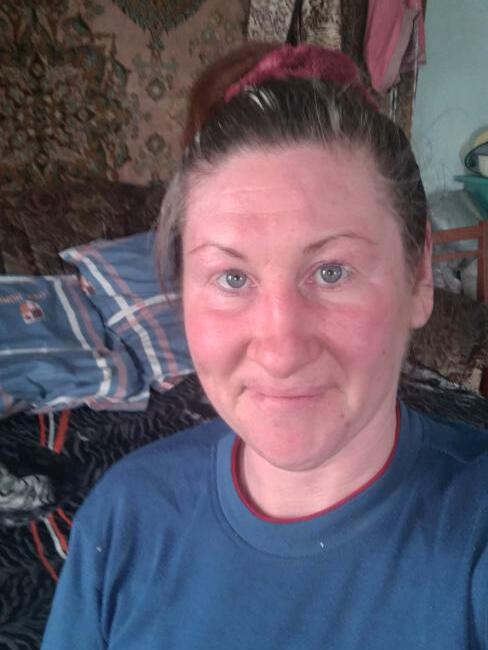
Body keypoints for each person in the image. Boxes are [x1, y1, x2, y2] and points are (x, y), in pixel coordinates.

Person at [42, 42, 488, 649]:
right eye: (232, 278)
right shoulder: (122, 520)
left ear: (419, 278)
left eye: (331, 271)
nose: (281, 351)